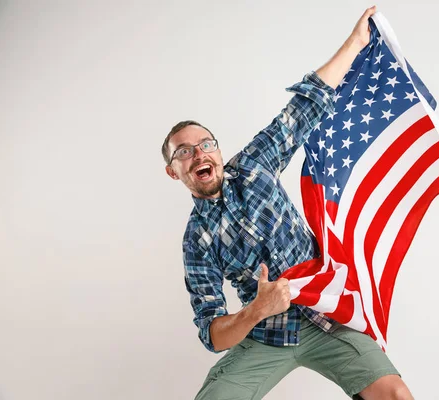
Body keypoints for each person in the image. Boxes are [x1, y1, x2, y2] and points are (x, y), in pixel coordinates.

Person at [163, 6, 414, 400]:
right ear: (173, 171)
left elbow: (303, 109)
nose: (198, 155)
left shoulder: (253, 165)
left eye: (205, 144)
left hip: (324, 313)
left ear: (218, 151)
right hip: (266, 334)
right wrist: (256, 310)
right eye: (184, 152)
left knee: (395, 394)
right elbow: (212, 333)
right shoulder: (197, 240)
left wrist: (355, 43)